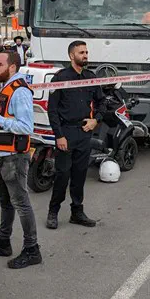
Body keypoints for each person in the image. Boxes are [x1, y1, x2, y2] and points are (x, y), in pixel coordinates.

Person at [0, 51, 42, 269]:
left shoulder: (20, 91)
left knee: (21, 203)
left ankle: (32, 249)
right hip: (0, 155)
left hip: (14, 158)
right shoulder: (5, 87)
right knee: (6, 203)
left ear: (12, 67)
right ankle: (3, 242)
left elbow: (26, 127)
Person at [46, 40, 104, 229]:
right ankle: (53, 212)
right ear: (72, 56)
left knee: (80, 175)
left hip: (84, 132)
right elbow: (52, 110)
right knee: (62, 175)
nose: (85, 55)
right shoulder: (60, 78)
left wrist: (96, 120)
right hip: (66, 132)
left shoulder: (90, 76)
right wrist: (59, 136)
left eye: (86, 52)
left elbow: (102, 102)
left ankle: (77, 212)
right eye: (81, 52)